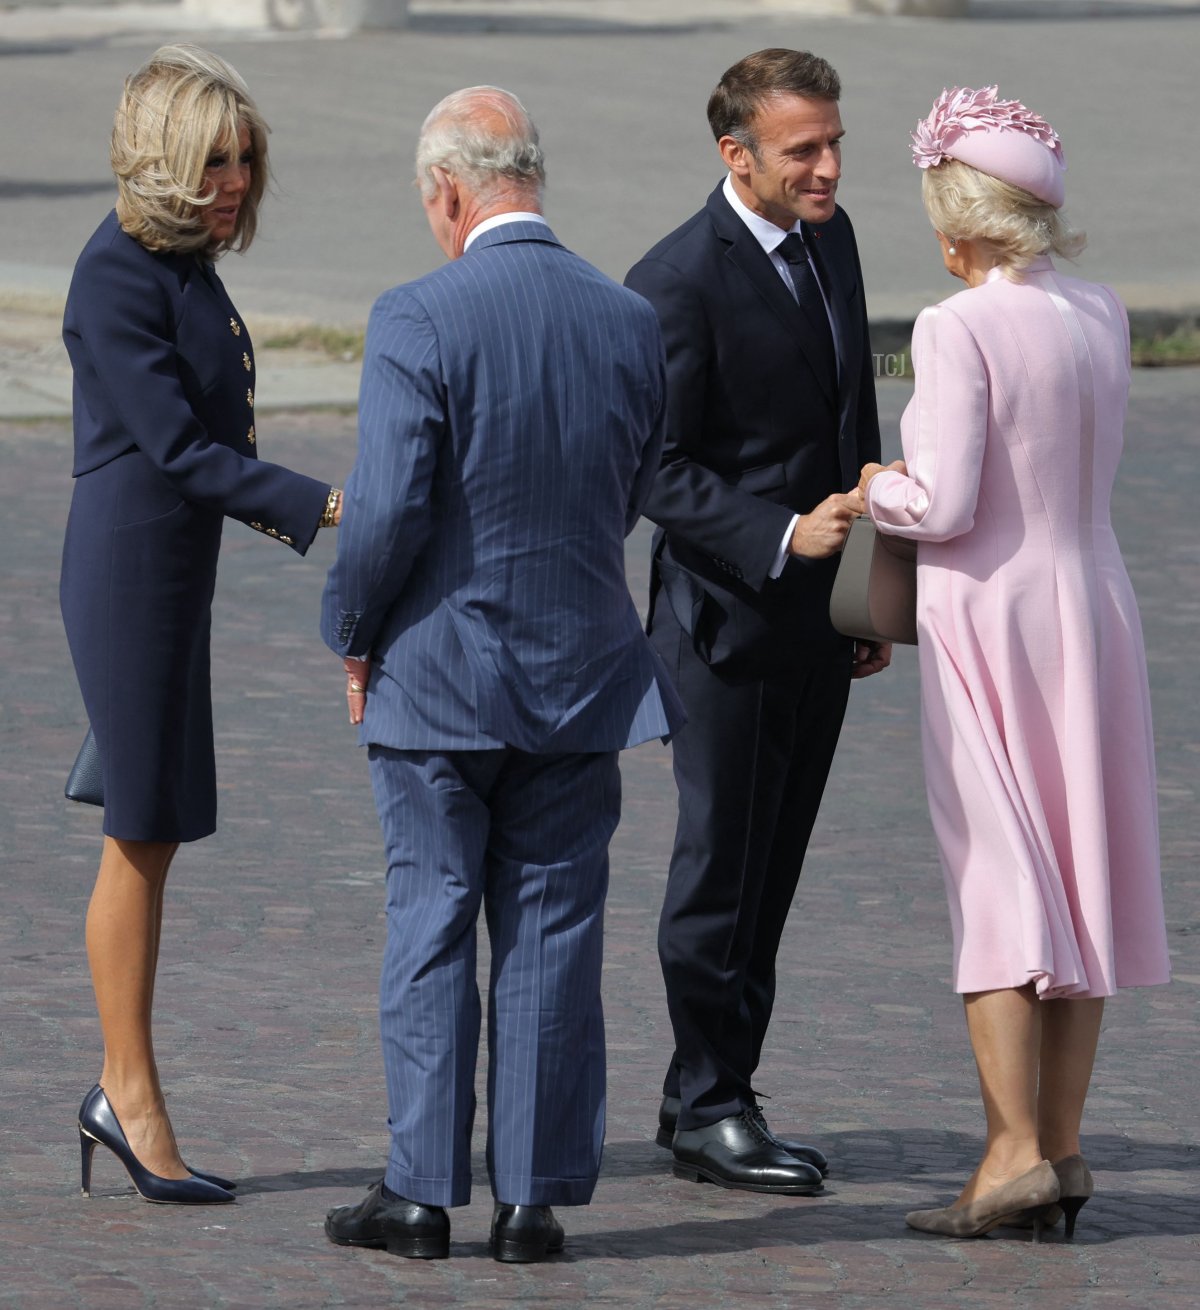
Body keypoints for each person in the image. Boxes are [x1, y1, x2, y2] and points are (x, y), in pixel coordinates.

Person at [320, 86, 683, 1263]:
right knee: (552, 930)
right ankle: (531, 1198)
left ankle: (421, 1188)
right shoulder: (627, 318)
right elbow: (631, 484)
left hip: (440, 672)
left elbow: (384, 515)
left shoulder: (418, 315)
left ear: (449, 190)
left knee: (429, 919)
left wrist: (352, 627)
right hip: (581, 673)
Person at [858, 86, 1171, 1240]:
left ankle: (1009, 1150)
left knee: (998, 874)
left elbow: (940, 502)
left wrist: (868, 484)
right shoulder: (1102, 312)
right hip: (1091, 607)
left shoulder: (957, 325)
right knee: (1080, 873)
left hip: (994, 618)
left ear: (963, 224)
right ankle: (1066, 1142)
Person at [60, 45, 342, 1206]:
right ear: (162, 165)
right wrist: (321, 504)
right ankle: (128, 1093)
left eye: (243, 158)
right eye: (212, 162)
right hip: (130, 564)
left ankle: (124, 1088)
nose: (234, 181)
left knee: (159, 825)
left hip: (172, 565)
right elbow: (179, 447)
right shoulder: (117, 273)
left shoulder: (178, 262)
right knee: (139, 826)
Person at [624, 47, 887, 1196]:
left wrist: (868, 584)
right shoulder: (672, 281)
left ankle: (711, 1086)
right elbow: (653, 467)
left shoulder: (834, 239)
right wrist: (785, 536)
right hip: (720, 625)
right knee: (719, 868)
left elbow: (855, 416)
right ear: (737, 155)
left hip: (820, 622)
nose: (828, 167)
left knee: (773, 868)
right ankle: (711, 1102)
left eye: (834, 142)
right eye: (804, 151)